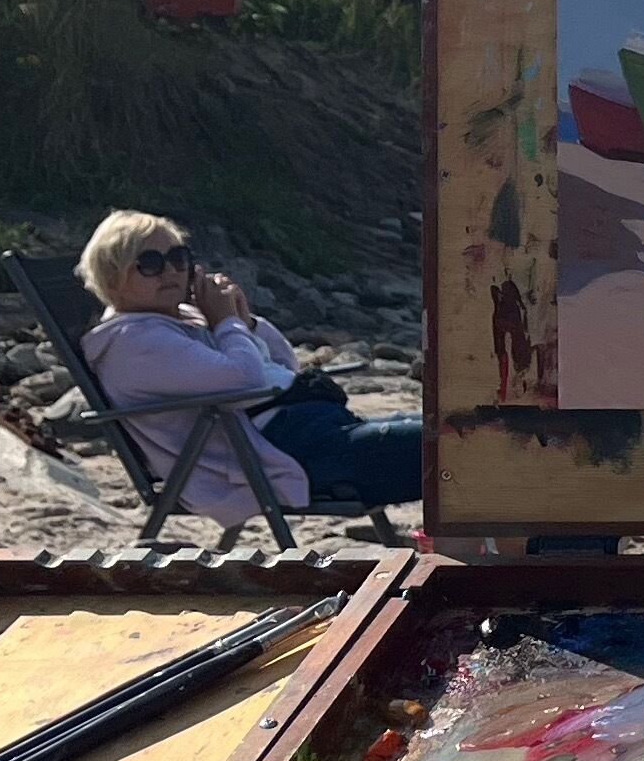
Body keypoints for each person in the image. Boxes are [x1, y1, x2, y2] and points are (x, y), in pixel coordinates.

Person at [75, 210, 421, 525]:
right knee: (453, 446)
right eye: (150, 263)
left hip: (311, 430)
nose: (171, 271)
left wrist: (245, 321)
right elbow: (244, 379)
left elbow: (282, 364)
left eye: (178, 258)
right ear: (113, 275)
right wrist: (225, 323)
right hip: (288, 455)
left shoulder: (180, 320)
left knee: (454, 430)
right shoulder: (135, 342)